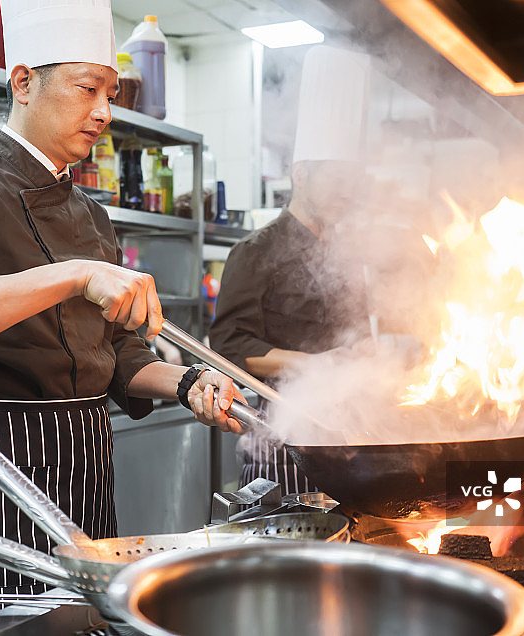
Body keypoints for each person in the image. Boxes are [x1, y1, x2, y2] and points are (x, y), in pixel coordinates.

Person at [0, 0, 243, 632]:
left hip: (84, 469)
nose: (105, 112)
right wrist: (75, 275)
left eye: (110, 93)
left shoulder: (91, 216)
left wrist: (188, 384)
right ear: (23, 82)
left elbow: (121, 355)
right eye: (87, 89)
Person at [209, 45, 370, 496]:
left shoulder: (347, 253)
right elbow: (227, 347)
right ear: (301, 173)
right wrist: (314, 365)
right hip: (281, 428)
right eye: (336, 179)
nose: (346, 192)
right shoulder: (254, 252)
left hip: (346, 427)